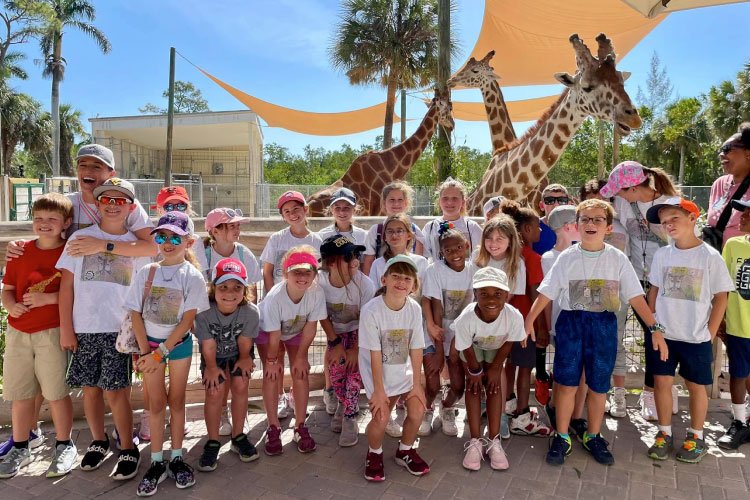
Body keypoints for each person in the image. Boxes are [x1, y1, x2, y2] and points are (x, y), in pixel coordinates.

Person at [1, 145, 157, 453]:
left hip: (107, 316)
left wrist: (103, 246)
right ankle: (26, 434)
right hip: (69, 310)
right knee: (44, 378)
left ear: (110, 174)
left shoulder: (127, 203)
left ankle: (123, 442)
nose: (89, 171)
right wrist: (19, 245)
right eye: (83, 164)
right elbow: (44, 230)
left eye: (97, 167)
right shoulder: (67, 204)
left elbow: (150, 246)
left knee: (108, 388)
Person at [524, 199, 668, 466]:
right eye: (585, 219)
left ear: (608, 227)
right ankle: (563, 436)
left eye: (597, 219)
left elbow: (636, 297)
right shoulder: (567, 258)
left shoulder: (617, 259)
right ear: (577, 226)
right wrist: (529, 320)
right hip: (571, 326)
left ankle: (593, 435)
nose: (591, 223)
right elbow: (546, 292)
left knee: (599, 386)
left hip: (603, 326)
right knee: (566, 384)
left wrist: (655, 328)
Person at [56, 178, 150, 481]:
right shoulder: (80, 238)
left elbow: (143, 282)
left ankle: (127, 447)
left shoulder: (138, 245)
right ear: (97, 204)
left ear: (131, 207)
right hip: (84, 327)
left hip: (119, 330)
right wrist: (66, 329)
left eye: (120, 200)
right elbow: (66, 287)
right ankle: (98, 441)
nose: (112, 204)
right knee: (91, 390)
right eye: (106, 199)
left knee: (117, 391)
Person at [643, 198, 733, 463]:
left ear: (693, 218)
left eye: (675, 218)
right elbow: (654, 292)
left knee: (696, 387)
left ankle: (696, 436)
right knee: (661, 383)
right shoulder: (663, 254)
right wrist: (655, 328)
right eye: (664, 221)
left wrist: (710, 332)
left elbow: (721, 297)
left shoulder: (710, 257)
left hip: (696, 338)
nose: (668, 225)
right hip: (664, 336)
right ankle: (664, 433)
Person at [126, 211, 209, 496]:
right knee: (156, 404)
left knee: (177, 401)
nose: (168, 242)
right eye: (162, 236)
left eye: (176, 237)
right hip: (149, 349)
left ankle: (176, 457)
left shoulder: (193, 276)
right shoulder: (146, 272)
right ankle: (157, 461)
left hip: (178, 347)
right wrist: (143, 350)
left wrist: (161, 353)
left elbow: (187, 322)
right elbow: (135, 313)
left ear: (189, 241)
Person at [0, 194, 76, 479]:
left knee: (56, 393)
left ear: (66, 223)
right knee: (20, 395)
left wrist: (49, 299)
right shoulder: (20, 252)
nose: (44, 224)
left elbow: (76, 291)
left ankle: (64, 444)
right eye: (39, 218)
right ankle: (21, 445)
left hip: (52, 332)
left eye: (52, 219)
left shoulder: (70, 253)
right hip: (19, 331)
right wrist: (10, 305)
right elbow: (8, 289)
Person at [600, 161, 682, 421]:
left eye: (622, 191)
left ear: (634, 187)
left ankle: (655, 390)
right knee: (623, 334)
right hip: (634, 281)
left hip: (665, 284)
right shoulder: (623, 204)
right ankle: (633, 391)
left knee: (657, 339)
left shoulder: (672, 202)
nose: (619, 196)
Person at [360, 255, 429, 481]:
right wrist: (379, 391)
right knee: (381, 417)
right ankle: (375, 453)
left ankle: (405, 450)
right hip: (377, 373)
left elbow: (417, 347)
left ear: (414, 285)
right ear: (384, 279)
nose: (401, 281)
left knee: (417, 410)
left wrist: (417, 385)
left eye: (407, 278)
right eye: (396, 276)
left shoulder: (414, 309)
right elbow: (374, 354)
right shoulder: (371, 310)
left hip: (403, 370)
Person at [258, 246, 327, 455]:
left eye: (308, 272)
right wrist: (271, 360)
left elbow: (311, 327)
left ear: (315, 274)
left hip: (297, 330)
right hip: (268, 333)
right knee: (273, 373)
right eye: (296, 272)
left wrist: (300, 357)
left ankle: (300, 425)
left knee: (300, 371)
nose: (303, 277)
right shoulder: (274, 298)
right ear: (285, 273)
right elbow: (274, 336)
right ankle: (273, 427)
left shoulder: (316, 292)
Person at [260, 191, 322, 420]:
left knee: (298, 358)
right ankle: (279, 398)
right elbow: (267, 271)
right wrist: (272, 299)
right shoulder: (277, 239)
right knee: (274, 355)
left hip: (301, 308)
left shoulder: (316, 241)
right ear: (283, 217)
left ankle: (296, 397)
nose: (292, 214)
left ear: (306, 210)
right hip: (276, 306)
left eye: (296, 209)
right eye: (287, 212)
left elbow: (319, 273)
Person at [456, 267, 525, 471]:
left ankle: (494, 441)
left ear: (506, 295)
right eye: (483, 294)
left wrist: (496, 368)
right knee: (474, 386)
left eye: (497, 294)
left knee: (494, 387)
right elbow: (465, 346)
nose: (491, 300)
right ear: (474, 294)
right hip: (473, 350)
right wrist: (475, 372)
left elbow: (509, 342)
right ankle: (475, 441)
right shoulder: (466, 319)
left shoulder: (514, 316)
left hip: (497, 349)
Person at [194, 258, 260, 471]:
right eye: (223, 287)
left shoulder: (250, 312)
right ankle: (213, 440)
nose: (230, 293)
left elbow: (245, 342)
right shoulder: (203, 312)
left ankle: (238, 435)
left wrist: (244, 359)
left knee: (240, 384)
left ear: (244, 289)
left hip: (240, 352)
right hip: (214, 355)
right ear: (214, 288)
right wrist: (211, 367)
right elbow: (209, 345)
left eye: (237, 287)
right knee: (215, 390)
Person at [500, 201, 552, 437]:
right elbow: (535, 293)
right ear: (527, 230)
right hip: (524, 324)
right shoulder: (531, 257)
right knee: (525, 368)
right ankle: (522, 415)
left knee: (510, 364)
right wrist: (541, 325)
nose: (541, 231)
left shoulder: (509, 254)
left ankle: (510, 402)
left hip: (506, 323)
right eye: (537, 226)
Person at [579, 179, 631, 418]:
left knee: (615, 342)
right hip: (585, 294)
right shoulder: (580, 228)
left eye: (603, 197)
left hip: (615, 296)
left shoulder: (621, 227)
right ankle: (591, 393)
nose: (598, 202)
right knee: (586, 344)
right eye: (591, 198)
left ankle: (619, 393)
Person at [318, 235, 375, 447]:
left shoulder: (365, 284)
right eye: (348, 256)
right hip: (336, 335)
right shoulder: (320, 283)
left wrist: (356, 349)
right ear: (331, 262)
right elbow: (321, 315)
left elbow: (367, 320)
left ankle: (350, 416)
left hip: (361, 333)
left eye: (355, 255)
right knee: (337, 372)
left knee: (354, 373)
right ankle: (343, 403)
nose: (355, 260)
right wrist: (335, 343)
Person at [316, 187, 368, 416]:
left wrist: (354, 280)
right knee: (333, 351)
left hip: (357, 319)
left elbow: (363, 264)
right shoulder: (323, 236)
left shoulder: (363, 236)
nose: (342, 211)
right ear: (331, 210)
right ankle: (332, 390)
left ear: (355, 209)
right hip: (335, 325)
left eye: (347, 206)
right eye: (338, 206)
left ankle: (350, 402)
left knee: (355, 360)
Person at [473, 214, 526, 437]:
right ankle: (484, 405)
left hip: (500, 323)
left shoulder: (516, 264)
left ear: (510, 241)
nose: (493, 244)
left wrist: (493, 319)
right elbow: (472, 292)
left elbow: (511, 296)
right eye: (489, 238)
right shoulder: (477, 259)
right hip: (476, 321)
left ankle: (502, 413)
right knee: (480, 366)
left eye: (500, 239)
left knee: (498, 367)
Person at [540, 205, 589, 441]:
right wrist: (549, 325)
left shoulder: (582, 254)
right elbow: (548, 296)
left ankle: (576, 416)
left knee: (582, 373)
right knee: (566, 373)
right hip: (563, 325)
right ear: (570, 227)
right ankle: (557, 408)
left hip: (585, 324)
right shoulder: (550, 258)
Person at [421, 227, 473, 437]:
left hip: (461, 334)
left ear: (467, 246)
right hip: (436, 330)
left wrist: (455, 342)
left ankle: (447, 407)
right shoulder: (434, 271)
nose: (455, 253)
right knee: (432, 382)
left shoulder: (474, 269)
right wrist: (439, 345)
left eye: (459, 247)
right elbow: (436, 307)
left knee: (458, 386)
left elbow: (473, 308)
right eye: (449, 250)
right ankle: (425, 410)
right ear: (442, 252)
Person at [719, 198, 750, 449]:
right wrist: (720, 319)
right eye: (742, 211)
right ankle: (739, 423)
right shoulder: (733, 245)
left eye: (748, 213)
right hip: (738, 326)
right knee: (738, 373)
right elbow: (724, 286)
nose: (741, 217)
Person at [362, 181, 425, 276]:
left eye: (400, 200)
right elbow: (368, 263)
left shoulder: (415, 230)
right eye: (391, 200)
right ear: (384, 203)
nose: (396, 203)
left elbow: (419, 264)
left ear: (406, 203)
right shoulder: (376, 231)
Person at [708, 123, 750, 247]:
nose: (721, 154)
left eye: (727, 149)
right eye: (721, 150)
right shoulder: (719, 184)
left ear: (748, 154)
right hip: (717, 261)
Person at [422, 178, 482, 261]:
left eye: (455, 198)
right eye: (445, 198)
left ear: (463, 202)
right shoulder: (430, 228)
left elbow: (480, 257)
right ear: (439, 201)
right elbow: (423, 258)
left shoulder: (472, 228)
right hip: (439, 274)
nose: (450, 202)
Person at [533, 184, 571, 256]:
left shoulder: (576, 229)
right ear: (541, 206)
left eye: (562, 201)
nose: (556, 204)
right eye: (550, 200)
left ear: (569, 204)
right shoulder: (533, 228)